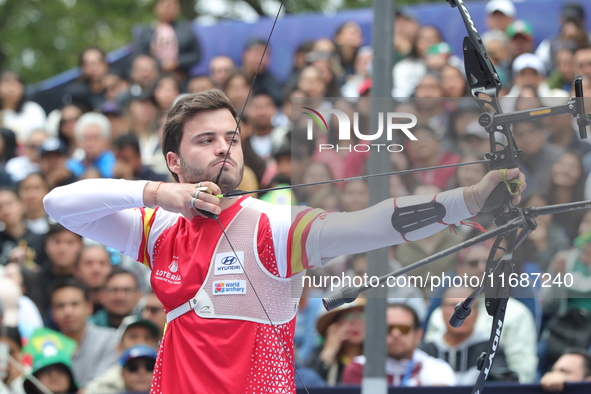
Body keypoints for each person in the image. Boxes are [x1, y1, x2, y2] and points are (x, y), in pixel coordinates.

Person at [43, 89, 526, 392]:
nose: (223, 149)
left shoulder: (271, 225)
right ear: (174, 161)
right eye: (205, 140)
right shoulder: (159, 228)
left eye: (230, 138)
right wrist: (156, 194)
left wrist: (469, 200)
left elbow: (370, 224)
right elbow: (58, 205)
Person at [342, 303, 456, 386]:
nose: (396, 334)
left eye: (404, 329)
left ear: (418, 335)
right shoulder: (358, 369)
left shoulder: (437, 370)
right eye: (388, 329)